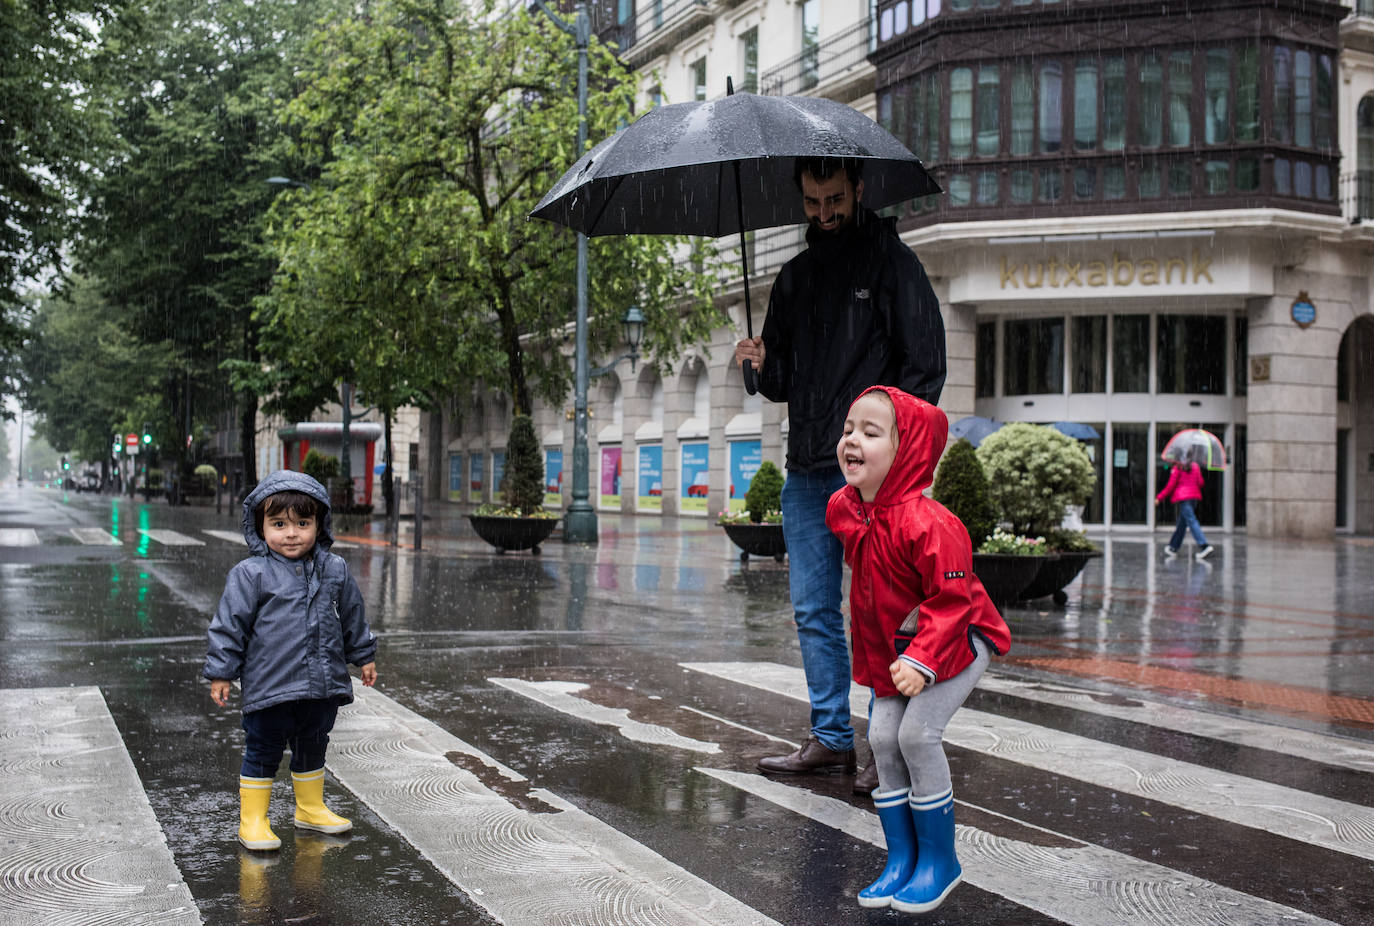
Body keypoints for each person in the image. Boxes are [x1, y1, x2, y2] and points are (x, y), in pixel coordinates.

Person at [734, 156, 946, 792]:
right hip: (806, 470)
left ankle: (886, 744)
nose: (823, 212)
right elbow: (780, 380)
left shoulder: (892, 263)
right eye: (811, 201)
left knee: (884, 612)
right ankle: (830, 739)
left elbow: (926, 366)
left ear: (857, 189)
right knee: (814, 610)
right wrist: (756, 365)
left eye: (833, 197)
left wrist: (883, 446)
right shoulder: (794, 278)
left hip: (872, 479)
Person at [826, 386, 1010, 912]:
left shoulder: (933, 524)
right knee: (882, 736)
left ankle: (940, 861)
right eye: (847, 429)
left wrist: (922, 659)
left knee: (916, 733)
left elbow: (953, 602)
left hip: (958, 640)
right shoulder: (847, 508)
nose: (851, 440)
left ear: (907, 452)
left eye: (870, 432)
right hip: (896, 651)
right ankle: (901, 859)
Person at [204, 470, 378, 851]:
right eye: (279, 524)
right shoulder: (251, 574)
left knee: (313, 743)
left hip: (321, 684)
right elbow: (229, 626)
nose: (292, 533)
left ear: (319, 524)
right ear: (260, 526)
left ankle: (310, 808)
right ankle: (252, 819)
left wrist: (363, 655)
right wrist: (221, 673)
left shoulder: (335, 569)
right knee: (263, 749)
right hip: (271, 685)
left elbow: (352, 615)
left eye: (303, 523)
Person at [1157, 458, 1214, 560]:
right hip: (1193, 498)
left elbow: (1170, 485)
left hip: (1184, 498)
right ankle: (1173, 547)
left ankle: (1204, 545)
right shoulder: (1195, 466)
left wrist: (1159, 498)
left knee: (1191, 521)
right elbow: (1201, 482)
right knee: (1182, 523)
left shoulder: (1177, 467)